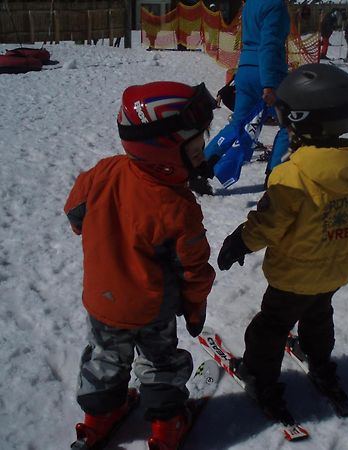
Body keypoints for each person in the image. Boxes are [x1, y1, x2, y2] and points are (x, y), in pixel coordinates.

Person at [216, 64, 348, 420]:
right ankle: (318, 359)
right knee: (319, 314)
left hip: (292, 277)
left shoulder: (292, 174)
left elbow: (269, 222)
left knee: (271, 326)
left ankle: (261, 378)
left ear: (300, 121)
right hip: (337, 269)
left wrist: (240, 242)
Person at [64, 81, 217, 450]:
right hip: (152, 311)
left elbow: (74, 213)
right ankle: (166, 426)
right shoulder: (178, 209)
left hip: (102, 303)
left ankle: (98, 418)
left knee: (105, 359)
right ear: (163, 152)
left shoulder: (102, 173)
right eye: (195, 147)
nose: (202, 154)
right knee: (159, 363)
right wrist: (195, 309)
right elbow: (193, 271)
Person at [202, 0, 291, 193]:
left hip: (246, 70)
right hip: (268, 73)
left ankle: (201, 167)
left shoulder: (251, 4)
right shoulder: (275, 5)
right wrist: (268, 83)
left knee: (237, 124)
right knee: (288, 124)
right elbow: (269, 44)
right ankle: (275, 176)